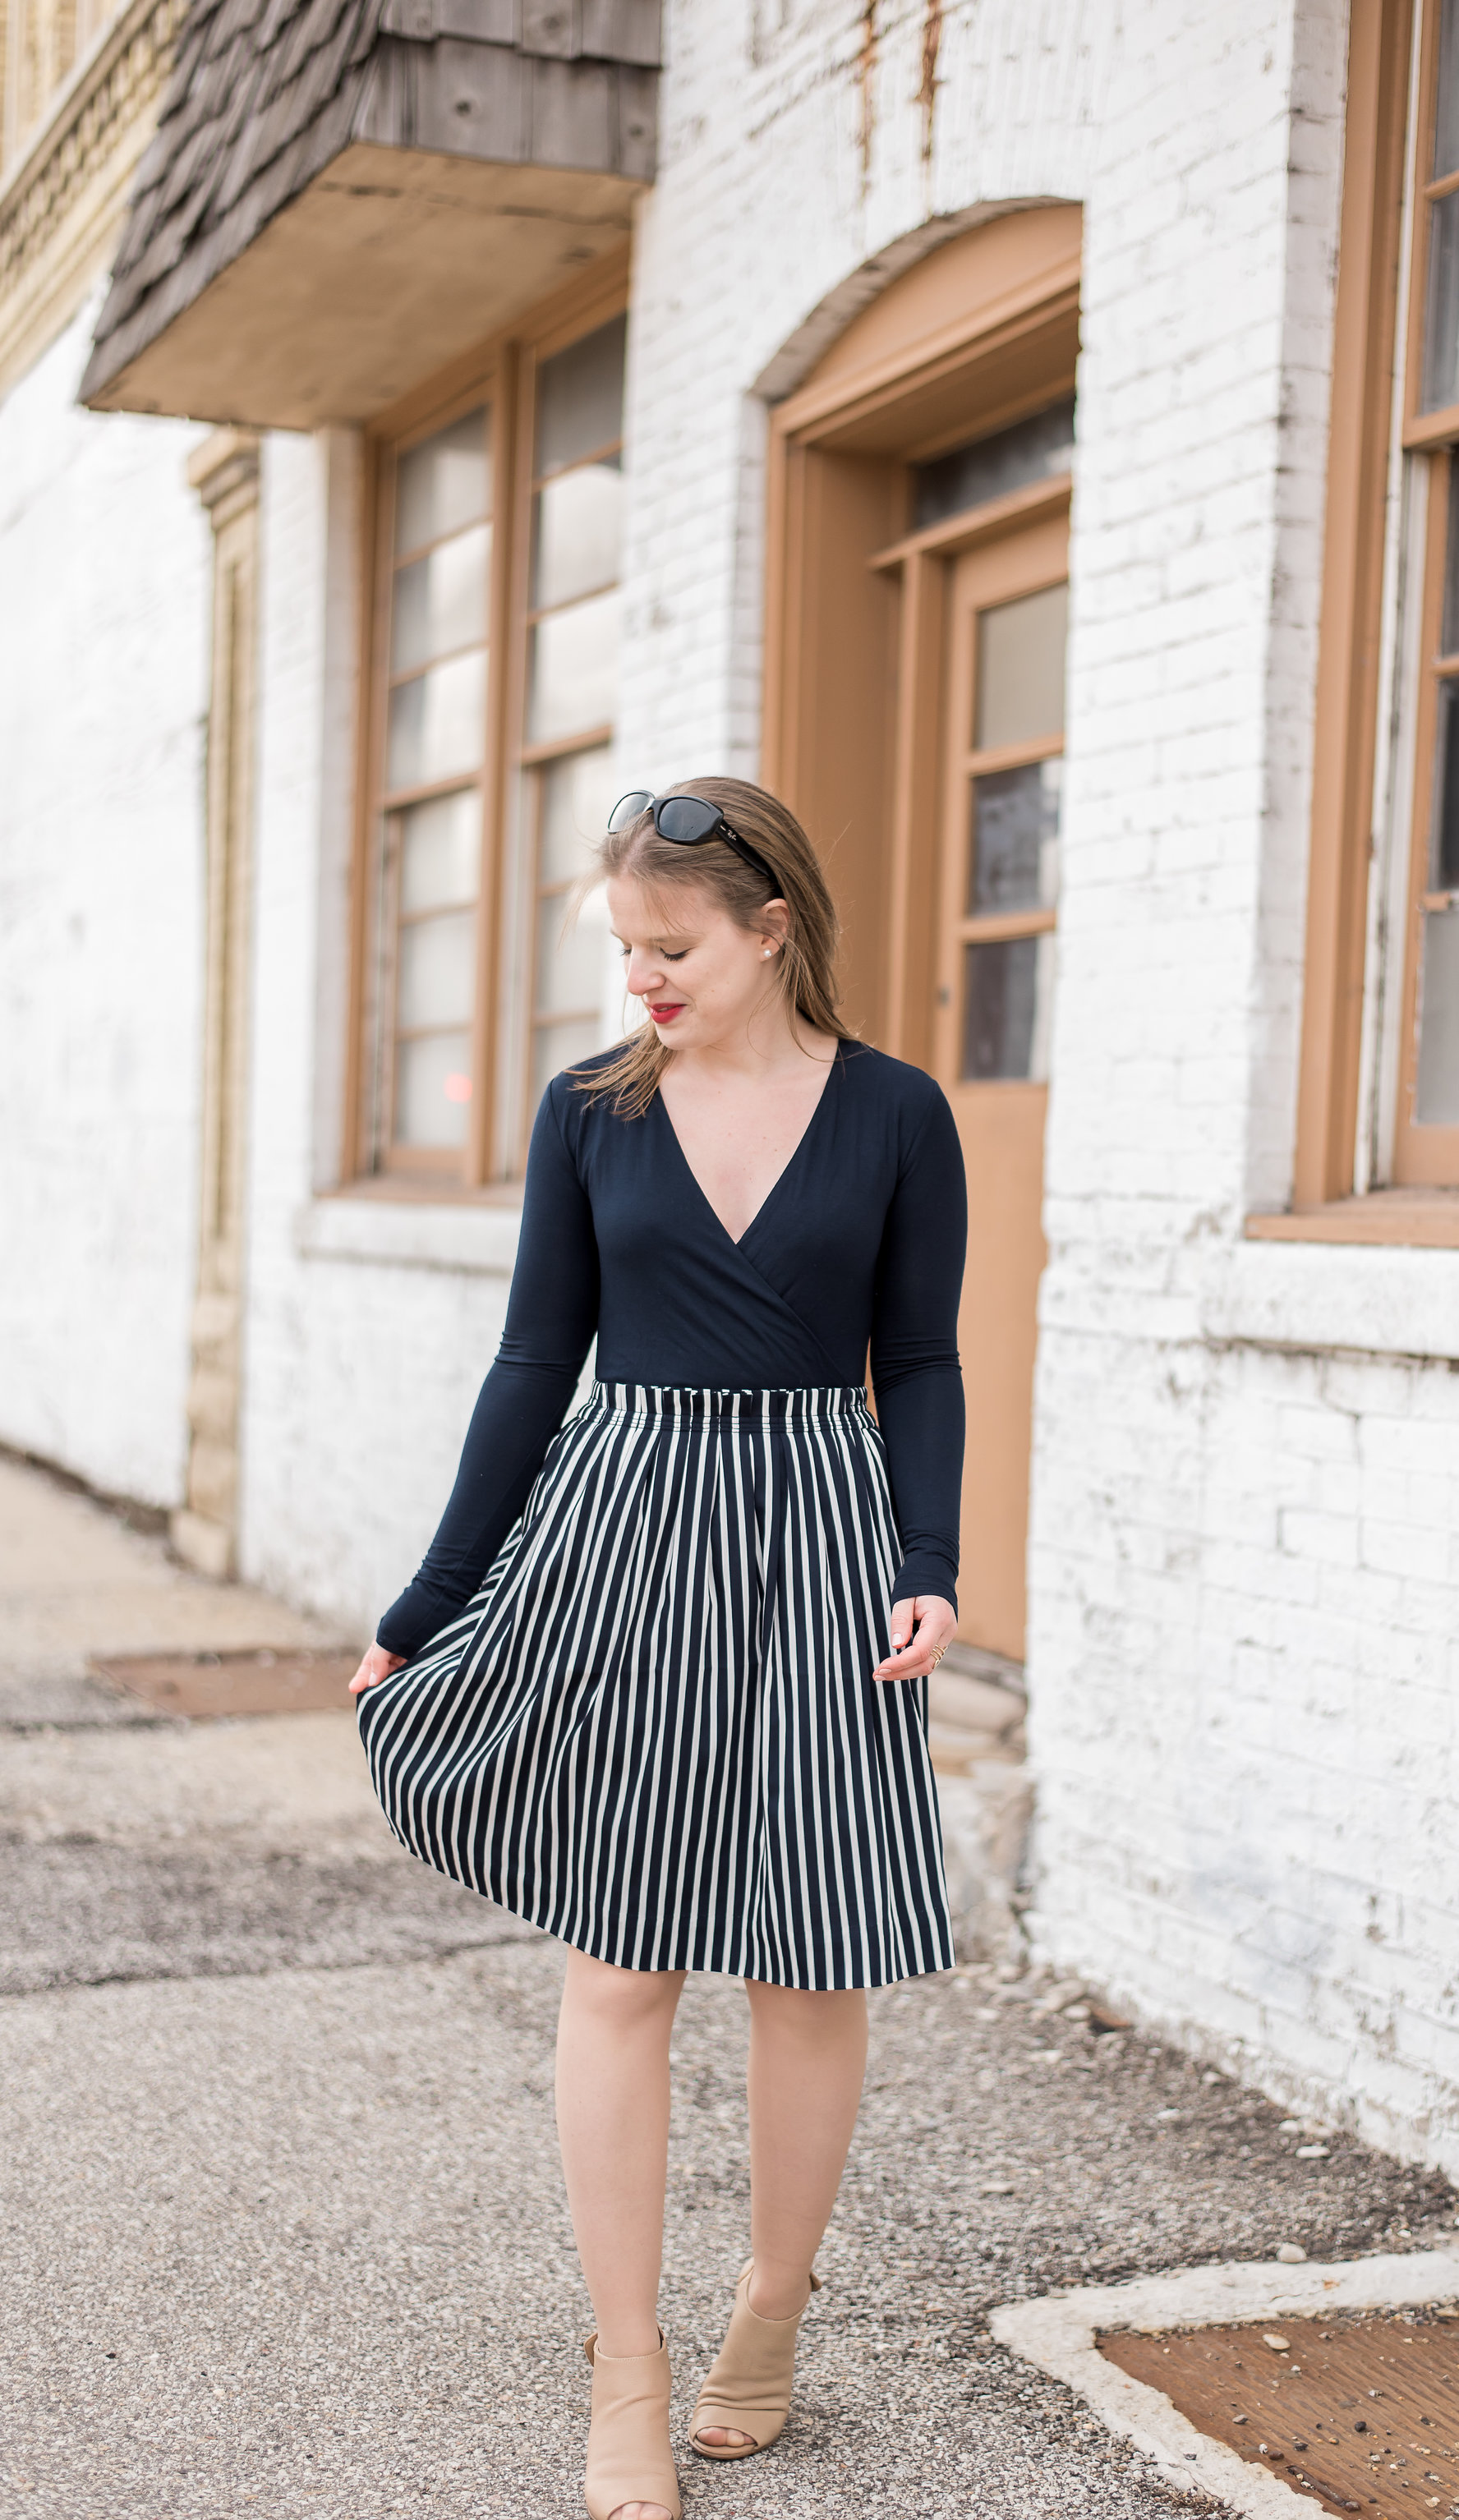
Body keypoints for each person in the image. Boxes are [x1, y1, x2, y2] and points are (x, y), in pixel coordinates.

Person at [351, 776, 966, 2520]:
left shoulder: (900, 1114)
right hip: (625, 1535)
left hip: (825, 1544)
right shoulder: (588, 1113)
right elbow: (532, 1365)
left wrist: (925, 1558)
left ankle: (769, 2305)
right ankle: (625, 2360)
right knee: (620, 1963)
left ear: (775, 926)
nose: (645, 979)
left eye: (673, 946)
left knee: (809, 1950)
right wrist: (428, 1603)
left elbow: (917, 1359)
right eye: (625, 949)